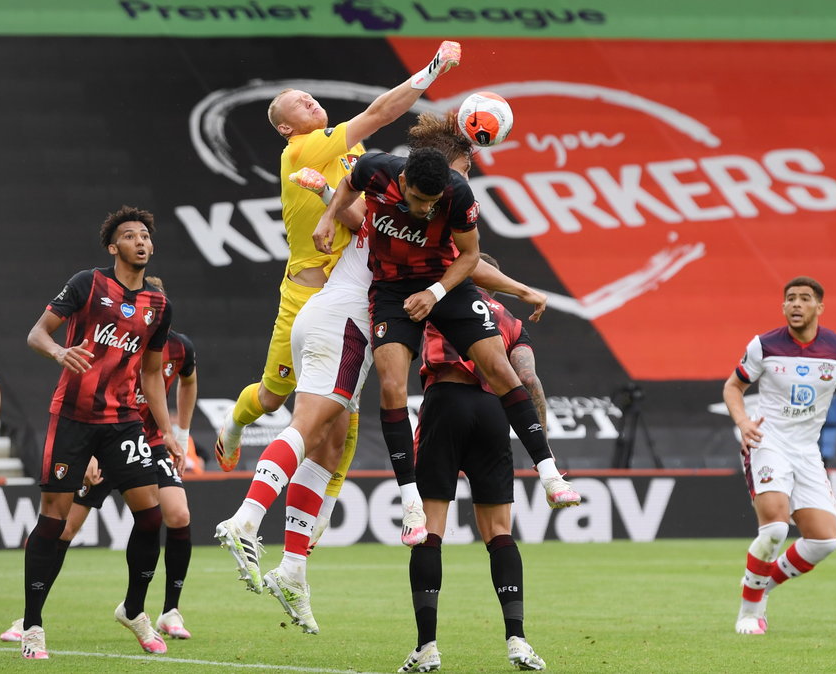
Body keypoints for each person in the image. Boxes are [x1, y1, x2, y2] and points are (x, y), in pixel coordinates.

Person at [217, 113, 557, 636]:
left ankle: (293, 567)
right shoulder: (405, 197)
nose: (460, 183)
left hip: (329, 314)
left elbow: (377, 216)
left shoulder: (401, 197)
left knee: (332, 446)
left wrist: (331, 193)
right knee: (311, 423)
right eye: (462, 168)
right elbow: (466, 261)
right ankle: (246, 518)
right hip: (347, 319)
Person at [213, 40, 463, 472]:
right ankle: (234, 427)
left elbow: (362, 218)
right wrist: (432, 70)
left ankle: (310, 526)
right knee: (273, 396)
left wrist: (330, 195)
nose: (306, 99)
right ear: (285, 129)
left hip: (353, 292)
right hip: (304, 297)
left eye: (306, 95)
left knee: (344, 408)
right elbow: (379, 113)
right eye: (295, 103)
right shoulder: (303, 148)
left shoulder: (352, 156)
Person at [314, 144, 580, 547]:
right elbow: (348, 187)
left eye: (431, 203)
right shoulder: (375, 169)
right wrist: (328, 216)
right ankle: (411, 505)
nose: (424, 210)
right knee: (390, 387)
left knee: (499, 368)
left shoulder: (457, 194)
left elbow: (470, 255)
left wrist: (435, 293)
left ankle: (549, 474)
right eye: (418, 200)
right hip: (390, 288)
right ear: (402, 182)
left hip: (445, 282)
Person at [20, 206, 183, 659]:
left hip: (123, 422)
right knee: (53, 522)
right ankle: (32, 624)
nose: (141, 241)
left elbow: (152, 375)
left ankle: (133, 608)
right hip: (72, 416)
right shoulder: (87, 283)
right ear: (114, 247)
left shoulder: (160, 306)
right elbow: (37, 333)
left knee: (152, 517)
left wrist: (167, 431)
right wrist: (58, 351)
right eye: (131, 236)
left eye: (146, 236)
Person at [0, 278, 198, 643]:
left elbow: (186, 381)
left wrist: (177, 434)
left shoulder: (175, 348)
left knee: (175, 515)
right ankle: (28, 617)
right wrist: (89, 452)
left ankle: (164, 609)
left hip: (141, 438)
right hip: (96, 433)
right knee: (64, 528)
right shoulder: (112, 339)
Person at [400, 255, 548, 672]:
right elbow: (529, 381)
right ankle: (517, 640)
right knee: (500, 533)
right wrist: (543, 448)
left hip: (445, 401)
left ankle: (426, 646)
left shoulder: (435, 297)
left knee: (430, 529)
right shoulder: (508, 320)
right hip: (493, 411)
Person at [722, 276, 836, 635]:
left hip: (806, 451)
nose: (796, 304)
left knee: (824, 541)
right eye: (790, 298)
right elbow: (733, 386)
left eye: (805, 299)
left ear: (819, 307)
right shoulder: (764, 345)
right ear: (783, 306)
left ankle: (758, 586)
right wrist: (743, 422)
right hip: (768, 441)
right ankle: (749, 611)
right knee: (774, 528)